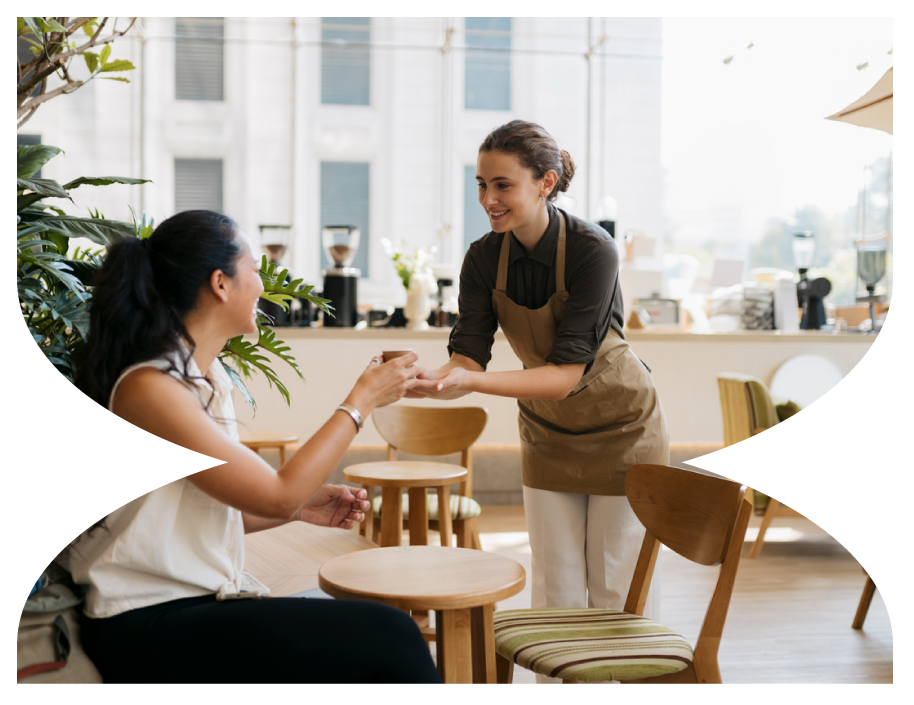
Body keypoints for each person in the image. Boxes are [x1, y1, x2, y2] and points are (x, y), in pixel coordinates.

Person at [66, 210, 442, 688]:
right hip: (144, 621)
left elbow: (204, 512)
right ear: (220, 283)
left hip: (193, 604)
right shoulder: (151, 388)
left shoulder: (205, 377)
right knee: (392, 636)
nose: (264, 286)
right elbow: (277, 492)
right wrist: (360, 401)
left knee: (377, 633)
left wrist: (301, 510)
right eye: (256, 271)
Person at [411, 120, 669, 684]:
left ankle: (614, 700)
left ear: (545, 182)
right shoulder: (483, 258)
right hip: (549, 431)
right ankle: (567, 702)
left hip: (623, 428)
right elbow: (470, 355)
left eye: (502, 185)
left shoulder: (592, 250)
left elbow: (564, 375)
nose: (488, 200)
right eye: (481, 185)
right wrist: (433, 377)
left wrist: (469, 384)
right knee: (555, 587)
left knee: (614, 588)